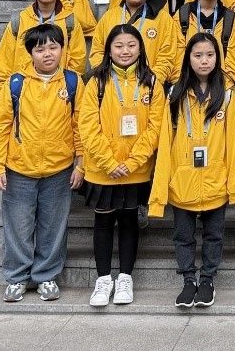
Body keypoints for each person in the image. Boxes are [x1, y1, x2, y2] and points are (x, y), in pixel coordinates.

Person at [0, 23, 83, 303]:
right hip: (19, 168)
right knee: (18, 226)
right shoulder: (16, 83)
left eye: (53, 47)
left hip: (59, 168)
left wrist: (81, 164)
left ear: (62, 49)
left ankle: (46, 276)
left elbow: (81, 126)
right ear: (30, 53)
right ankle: (17, 277)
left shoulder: (73, 82)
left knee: (53, 226)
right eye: (40, 49)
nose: (48, 54)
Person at [149, 33, 235, 309]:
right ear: (188, 59)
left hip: (216, 178)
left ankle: (208, 280)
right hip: (183, 179)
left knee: (214, 235)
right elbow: (165, 142)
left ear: (218, 58)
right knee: (183, 235)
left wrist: (233, 185)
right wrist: (161, 189)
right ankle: (188, 279)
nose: (204, 61)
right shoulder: (175, 94)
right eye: (198, 55)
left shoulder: (227, 95)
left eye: (210, 55)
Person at [78, 23, 164, 307]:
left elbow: (156, 127)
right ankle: (103, 279)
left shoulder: (151, 82)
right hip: (103, 170)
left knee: (129, 222)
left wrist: (133, 161)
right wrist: (109, 162)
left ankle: (125, 277)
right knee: (103, 222)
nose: (125, 51)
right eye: (118, 46)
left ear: (141, 48)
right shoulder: (96, 81)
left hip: (135, 171)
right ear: (109, 49)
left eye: (131, 45)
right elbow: (88, 126)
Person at [0, 0, 86, 96]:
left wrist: (67, 88)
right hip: (24, 90)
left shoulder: (69, 22)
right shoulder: (19, 20)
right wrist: (3, 91)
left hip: (59, 91)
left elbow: (78, 59)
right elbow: (5, 58)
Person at [89, 0, 178, 86]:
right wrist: (107, 78)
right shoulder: (109, 17)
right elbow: (97, 52)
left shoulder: (163, 19)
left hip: (148, 86)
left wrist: (152, 81)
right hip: (112, 86)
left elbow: (167, 57)